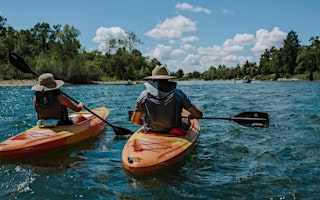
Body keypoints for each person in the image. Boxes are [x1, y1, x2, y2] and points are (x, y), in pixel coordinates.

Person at [131, 65, 203, 134]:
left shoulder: (143, 96)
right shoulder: (179, 94)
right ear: (168, 79)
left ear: (152, 80)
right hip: (174, 130)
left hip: (151, 130)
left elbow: (134, 121)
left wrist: (145, 122)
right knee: (186, 120)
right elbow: (198, 115)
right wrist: (190, 116)